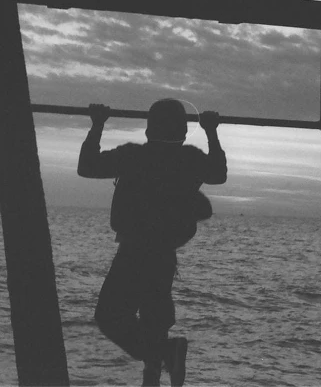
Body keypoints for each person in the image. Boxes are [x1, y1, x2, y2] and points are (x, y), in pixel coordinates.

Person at [77, 99, 227, 386]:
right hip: (164, 255)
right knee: (154, 322)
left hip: (135, 251)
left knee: (109, 316)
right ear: (183, 133)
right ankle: (156, 368)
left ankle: (165, 353)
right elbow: (218, 174)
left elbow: (87, 166)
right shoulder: (190, 159)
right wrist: (211, 131)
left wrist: (97, 125)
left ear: (148, 131)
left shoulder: (132, 156)